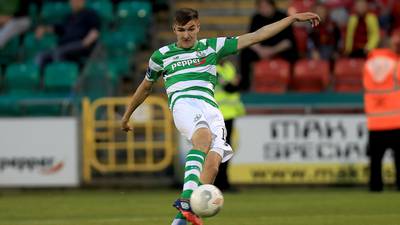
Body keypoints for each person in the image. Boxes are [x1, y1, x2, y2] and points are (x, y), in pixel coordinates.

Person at [121, 8, 320, 225]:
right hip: (184, 103)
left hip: (211, 109)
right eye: (181, 30)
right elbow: (145, 87)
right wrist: (127, 115)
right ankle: (186, 199)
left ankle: (182, 219)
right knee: (203, 139)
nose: (186, 35)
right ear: (174, 29)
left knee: (213, 165)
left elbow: (256, 36)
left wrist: (291, 19)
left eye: (190, 29)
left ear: (198, 27)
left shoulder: (211, 47)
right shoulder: (161, 55)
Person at [363, 29, 400, 192]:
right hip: (395, 119)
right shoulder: (396, 63)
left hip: (375, 121)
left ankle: (375, 187)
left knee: (375, 160)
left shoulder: (367, 65)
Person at [239, 0, 298, 91]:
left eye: (266, 6)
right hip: (262, 51)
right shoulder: (256, 18)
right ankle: (245, 85)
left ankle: (292, 85)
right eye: (261, 7)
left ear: (273, 6)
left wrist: (272, 51)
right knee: (245, 54)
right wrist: (261, 51)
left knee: (294, 55)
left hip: (279, 50)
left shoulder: (283, 17)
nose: (264, 9)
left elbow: (288, 42)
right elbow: (249, 38)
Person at [34, 0, 100, 71]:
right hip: (64, 46)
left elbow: (95, 31)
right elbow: (58, 29)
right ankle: (41, 79)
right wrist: (44, 29)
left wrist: (85, 43)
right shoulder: (69, 17)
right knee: (41, 56)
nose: (74, 2)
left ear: (83, 1)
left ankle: (60, 76)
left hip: (80, 45)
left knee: (58, 52)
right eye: (72, 1)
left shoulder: (90, 14)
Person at [213, 60, 245, 192]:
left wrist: (235, 83)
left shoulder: (229, 67)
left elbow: (238, 85)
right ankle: (215, 183)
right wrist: (233, 83)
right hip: (216, 115)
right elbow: (229, 87)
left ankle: (223, 183)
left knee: (225, 151)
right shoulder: (213, 69)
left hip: (229, 114)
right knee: (216, 151)